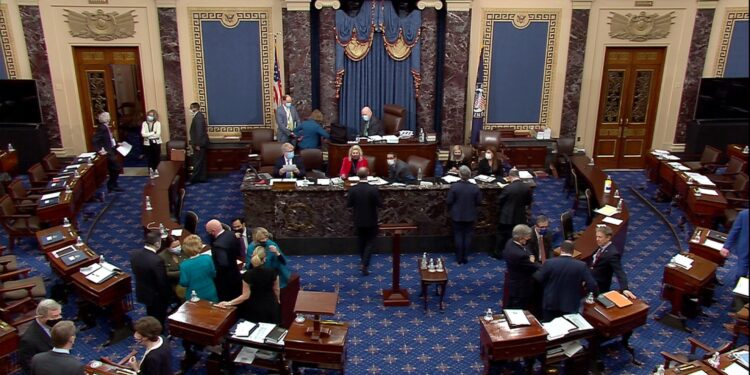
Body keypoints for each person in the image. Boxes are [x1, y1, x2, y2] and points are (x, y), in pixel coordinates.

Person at [534, 241, 598, 322]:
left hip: (550, 302)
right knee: (568, 330)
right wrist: (592, 295)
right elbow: (592, 284)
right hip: (570, 305)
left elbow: (539, 278)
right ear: (573, 251)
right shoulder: (581, 266)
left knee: (550, 328)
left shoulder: (549, 263)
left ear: (561, 249)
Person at [218, 247, 281, 324]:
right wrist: (277, 299)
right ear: (264, 259)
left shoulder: (247, 275)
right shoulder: (273, 272)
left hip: (255, 306)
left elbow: (245, 296)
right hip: (270, 304)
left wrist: (229, 303)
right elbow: (276, 289)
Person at [130, 231, 172, 326]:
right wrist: (169, 296)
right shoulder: (157, 260)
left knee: (150, 312)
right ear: (157, 244)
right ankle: (158, 334)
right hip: (156, 297)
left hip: (142, 291)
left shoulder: (134, 254)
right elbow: (162, 282)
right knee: (158, 318)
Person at [347, 167, 382, 275]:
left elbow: (349, 204)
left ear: (357, 175)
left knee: (361, 242)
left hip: (358, 219)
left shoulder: (353, 189)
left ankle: (363, 262)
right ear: (368, 174)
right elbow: (379, 204)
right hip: (371, 220)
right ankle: (364, 264)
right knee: (370, 242)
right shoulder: (373, 189)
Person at [446, 166, 482, 264]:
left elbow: (449, 201)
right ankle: (465, 257)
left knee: (458, 235)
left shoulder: (454, 186)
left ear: (459, 174)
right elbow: (479, 202)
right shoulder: (475, 187)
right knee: (467, 236)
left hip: (457, 215)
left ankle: (458, 257)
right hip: (470, 215)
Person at [494, 169, 532, 259]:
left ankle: (498, 254)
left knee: (502, 235)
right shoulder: (526, 187)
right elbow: (528, 202)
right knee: (517, 236)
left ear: (510, 177)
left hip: (507, 216)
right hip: (520, 216)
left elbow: (499, 200)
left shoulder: (508, 188)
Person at [590, 225, 636, 299]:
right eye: (597, 236)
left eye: (600, 237)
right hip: (593, 279)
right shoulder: (602, 246)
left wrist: (625, 288)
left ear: (608, 238)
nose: (597, 239)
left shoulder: (612, 254)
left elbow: (619, 272)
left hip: (600, 285)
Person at [503, 224, 540, 310]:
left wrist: (530, 255)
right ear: (521, 238)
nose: (529, 238)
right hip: (521, 287)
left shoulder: (510, 242)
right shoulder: (519, 255)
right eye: (527, 237)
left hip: (514, 281)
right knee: (518, 309)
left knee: (511, 305)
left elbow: (525, 249)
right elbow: (534, 266)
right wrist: (534, 261)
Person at [19, 299, 62, 374]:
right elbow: (29, 366)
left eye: (59, 314)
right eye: (54, 316)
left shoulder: (55, 323)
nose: (58, 318)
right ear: (41, 317)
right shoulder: (29, 340)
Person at [206, 219, 243, 301]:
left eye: (208, 232)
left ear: (213, 231)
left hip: (226, 281)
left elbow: (223, 264)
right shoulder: (231, 234)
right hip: (236, 273)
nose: (207, 233)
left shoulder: (218, 245)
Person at [178, 234, 218, 302]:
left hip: (194, 295)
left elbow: (184, 282)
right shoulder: (207, 258)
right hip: (210, 291)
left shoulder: (184, 265)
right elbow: (214, 274)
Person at [92, 111, 123, 192]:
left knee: (114, 168)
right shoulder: (102, 127)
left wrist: (116, 143)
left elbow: (109, 139)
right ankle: (111, 184)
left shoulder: (106, 127)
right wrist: (99, 150)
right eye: (108, 116)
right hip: (107, 152)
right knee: (116, 167)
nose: (110, 118)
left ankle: (113, 185)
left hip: (111, 149)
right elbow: (95, 140)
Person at [721, 209, 749, 285]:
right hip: (745, 250)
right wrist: (726, 247)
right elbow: (734, 231)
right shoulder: (744, 215)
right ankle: (738, 291)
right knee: (741, 273)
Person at [159, 237, 188, 302]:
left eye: (178, 245)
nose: (178, 247)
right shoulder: (162, 257)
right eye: (174, 246)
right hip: (175, 282)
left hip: (189, 278)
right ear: (168, 247)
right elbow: (165, 273)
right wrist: (181, 272)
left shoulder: (183, 250)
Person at [188, 102, 208, 183]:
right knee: (201, 161)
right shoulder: (198, 116)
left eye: (191, 108)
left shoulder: (198, 117)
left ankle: (194, 179)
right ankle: (201, 178)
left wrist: (197, 144)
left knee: (197, 161)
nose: (190, 110)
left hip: (199, 143)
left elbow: (199, 132)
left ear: (195, 108)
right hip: (200, 142)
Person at [140, 109, 163, 177]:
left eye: (151, 115)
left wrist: (148, 135)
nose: (149, 116)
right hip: (147, 143)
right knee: (149, 157)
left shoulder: (158, 123)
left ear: (154, 116)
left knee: (156, 157)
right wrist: (153, 132)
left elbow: (158, 134)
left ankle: (156, 169)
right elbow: (143, 134)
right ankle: (150, 170)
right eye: (149, 115)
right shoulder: (144, 123)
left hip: (156, 142)